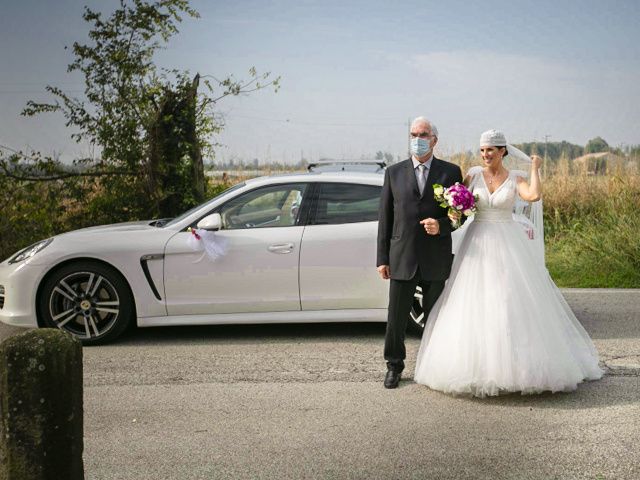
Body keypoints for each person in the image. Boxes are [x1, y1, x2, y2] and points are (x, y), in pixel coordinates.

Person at [414, 129, 603, 397]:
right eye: (481, 150)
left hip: (506, 241)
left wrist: (535, 168)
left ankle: (519, 368)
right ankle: (477, 366)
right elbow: (458, 209)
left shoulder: (516, 178)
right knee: (473, 301)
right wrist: (452, 210)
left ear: (502, 151)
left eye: (490, 150)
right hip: (477, 242)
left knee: (508, 298)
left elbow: (533, 196)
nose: (485, 155)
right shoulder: (473, 175)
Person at [377, 116, 464, 389]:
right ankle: (394, 365)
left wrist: (442, 225)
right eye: (413, 133)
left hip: (435, 257)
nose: (417, 139)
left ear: (434, 140)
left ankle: (433, 367)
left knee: (436, 317)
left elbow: (460, 215)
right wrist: (382, 259)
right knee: (396, 319)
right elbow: (385, 218)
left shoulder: (450, 172)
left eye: (423, 134)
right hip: (402, 257)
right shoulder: (393, 172)